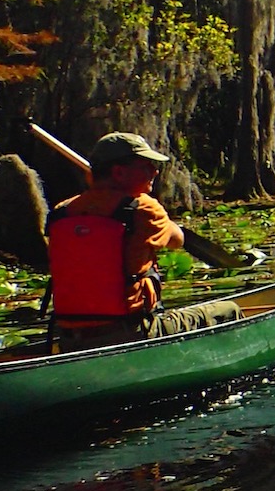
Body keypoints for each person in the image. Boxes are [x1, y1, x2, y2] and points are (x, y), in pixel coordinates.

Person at [46, 132, 239, 347]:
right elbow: (177, 239)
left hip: (69, 340)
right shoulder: (143, 208)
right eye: (145, 166)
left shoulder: (61, 212)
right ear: (119, 172)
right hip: (133, 332)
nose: (154, 172)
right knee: (228, 310)